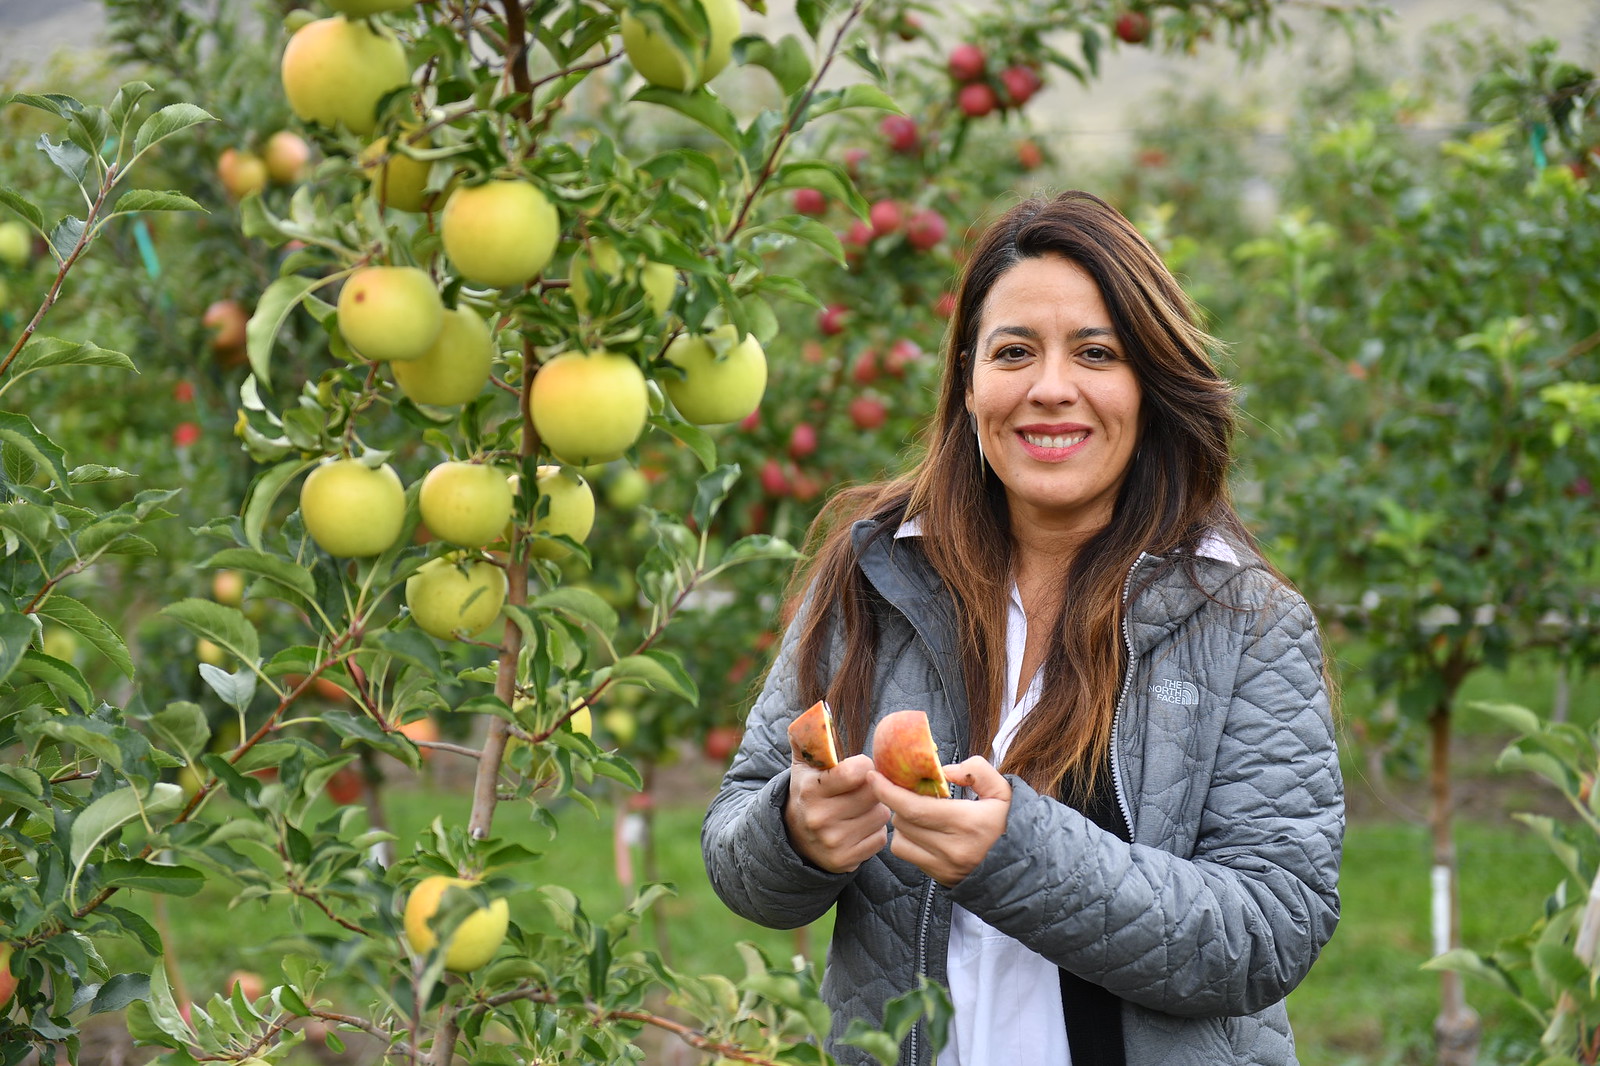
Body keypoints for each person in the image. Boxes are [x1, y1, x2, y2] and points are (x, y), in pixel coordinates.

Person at [701, 190, 1342, 1066]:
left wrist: (1015, 855)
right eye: (1013, 353)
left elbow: (1272, 929)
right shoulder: (875, 577)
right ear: (968, 383)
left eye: (1094, 352)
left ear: (1148, 386)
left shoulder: (1242, 620)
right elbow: (738, 845)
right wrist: (796, 834)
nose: (1049, 389)